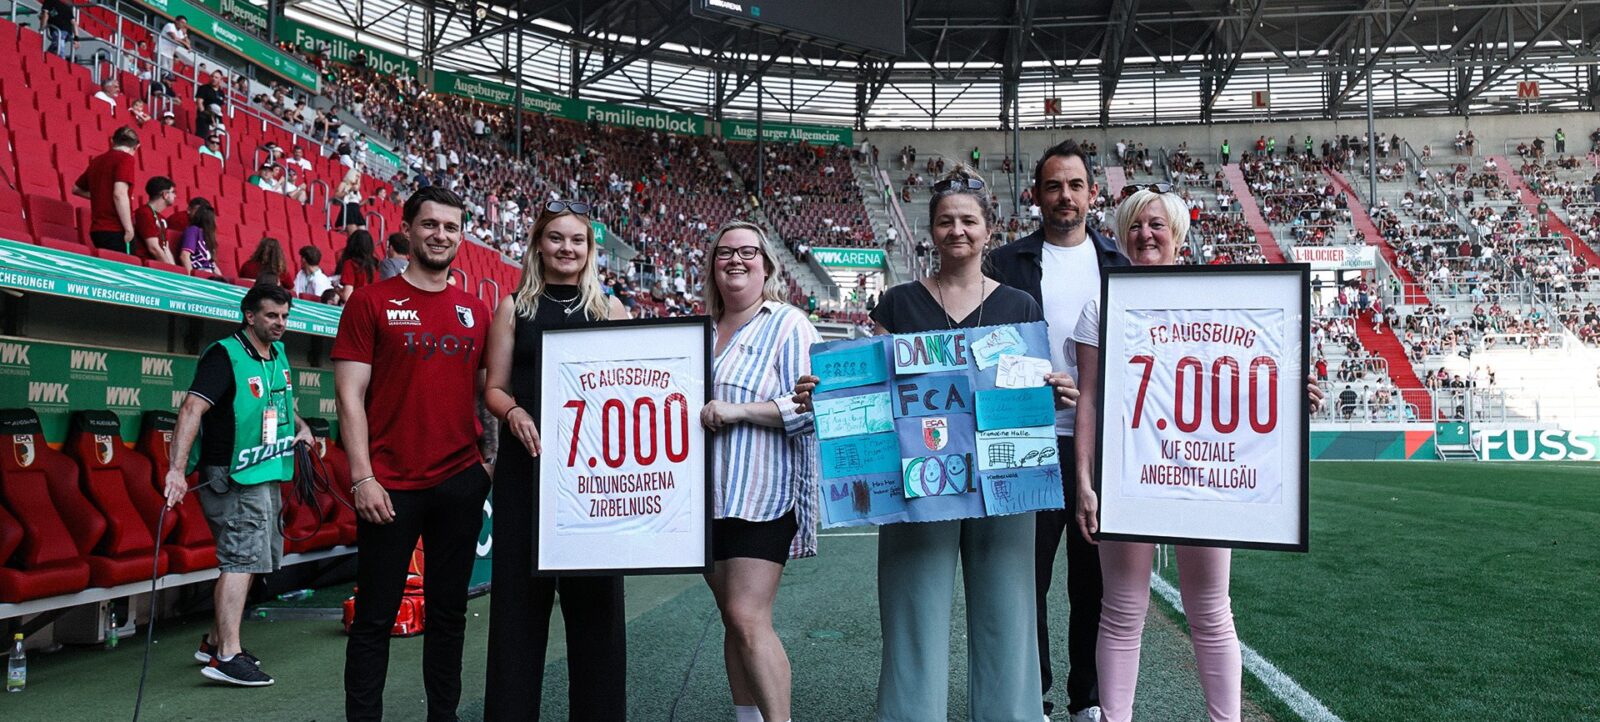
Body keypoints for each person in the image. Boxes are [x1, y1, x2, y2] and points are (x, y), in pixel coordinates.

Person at [797, 167, 1068, 721]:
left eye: (968, 220)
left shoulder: (1020, 305)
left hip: (1003, 484)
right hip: (916, 486)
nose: (957, 230)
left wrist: (1056, 390)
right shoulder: (898, 303)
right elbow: (866, 386)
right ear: (931, 231)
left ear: (988, 229)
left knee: (1009, 613)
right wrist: (825, 394)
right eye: (946, 221)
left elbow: (1031, 386)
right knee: (912, 613)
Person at [1070, 187, 1323, 722]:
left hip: (1203, 471)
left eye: (1156, 225)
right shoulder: (1100, 306)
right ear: (1121, 234)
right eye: (1135, 225)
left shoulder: (1217, 299)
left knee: (1210, 611)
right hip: (1130, 472)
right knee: (1121, 611)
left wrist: (1289, 395)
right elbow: (1088, 400)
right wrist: (1086, 482)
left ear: (1178, 235)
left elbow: (1235, 386)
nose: (1145, 234)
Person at [335, 186, 493, 722]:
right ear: (406, 230)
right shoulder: (370, 301)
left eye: (451, 227)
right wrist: (362, 477)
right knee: (374, 619)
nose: (440, 235)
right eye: (430, 224)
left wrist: (487, 464)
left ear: (461, 236)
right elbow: (349, 396)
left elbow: (489, 394)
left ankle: (443, 717)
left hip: (460, 483)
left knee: (449, 616)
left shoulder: (475, 310)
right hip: (388, 487)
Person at [987, 140, 1128, 722]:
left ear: (1093, 193)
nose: (1064, 196)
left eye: (1074, 185)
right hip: (1028, 441)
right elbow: (984, 354)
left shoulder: (1119, 265)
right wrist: (1031, 384)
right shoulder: (1004, 264)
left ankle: (1087, 699)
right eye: (1053, 186)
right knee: (1029, 579)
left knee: (1095, 579)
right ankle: (1035, 696)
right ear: (1036, 195)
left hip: (1101, 445)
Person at [480, 200, 631, 720]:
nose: (567, 248)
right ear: (538, 246)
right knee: (516, 615)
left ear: (590, 250)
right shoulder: (513, 307)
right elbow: (494, 388)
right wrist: (514, 411)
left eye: (577, 240)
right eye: (556, 238)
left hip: (594, 481)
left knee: (598, 616)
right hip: (526, 473)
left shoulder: (611, 310)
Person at [697, 221, 819, 722]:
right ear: (712, 266)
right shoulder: (698, 331)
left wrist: (739, 411)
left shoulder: (788, 324)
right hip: (704, 497)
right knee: (732, 619)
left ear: (767, 265)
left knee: (747, 615)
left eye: (748, 252)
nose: (736, 260)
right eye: (725, 252)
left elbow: (813, 407)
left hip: (762, 493)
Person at [162, 283, 313, 687]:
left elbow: (283, 403)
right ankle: (227, 656)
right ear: (249, 316)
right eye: (271, 316)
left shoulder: (278, 353)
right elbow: (191, 408)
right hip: (231, 475)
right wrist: (176, 470)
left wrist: (301, 428)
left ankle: (214, 642)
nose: (280, 323)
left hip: (266, 472)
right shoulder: (224, 354)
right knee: (240, 560)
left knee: (255, 562)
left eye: (285, 316)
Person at [73, 126, 139, 254]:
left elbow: (76, 189)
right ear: (136, 147)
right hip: (116, 230)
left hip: (97, 230)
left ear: (112, 141)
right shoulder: (126, 159)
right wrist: (129, 228)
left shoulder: (97, 161)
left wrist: (102, 195)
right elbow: (119, 194)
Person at [133, 176, 178, 264]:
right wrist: (169, 269)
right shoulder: (145, 213)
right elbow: (153, 248)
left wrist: (174, 268)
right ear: (165, 194)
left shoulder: (162, 219)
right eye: (173, 192)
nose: (175, 196)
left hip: (159, 265)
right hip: (145, 265)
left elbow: (166, 249)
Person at [335, 230, 379, 304]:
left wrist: (337, 290)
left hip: (358, 306)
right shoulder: (376, 265)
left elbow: (347, 296)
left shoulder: (350, 264)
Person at [177, 200, 220, 275]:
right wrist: (191, 278)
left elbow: (212, 264)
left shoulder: (208, 237)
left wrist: (222, 280)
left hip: (209, 274)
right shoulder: (193, 230)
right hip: (198, 273)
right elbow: (184, 256)